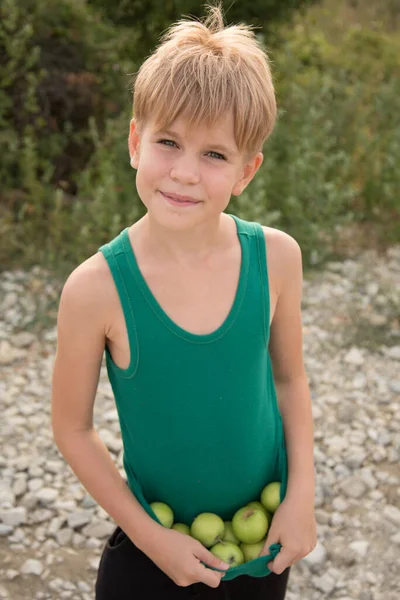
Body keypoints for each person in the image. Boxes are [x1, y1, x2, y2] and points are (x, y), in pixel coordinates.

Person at [51, 3, 317, 599]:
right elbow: (72, 428)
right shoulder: (94, 289)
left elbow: (291, 381)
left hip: (258, 546)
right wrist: (149, 536)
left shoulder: (276, 258)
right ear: (134, 142)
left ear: (247, 171)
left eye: (215, 155)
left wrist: (302, 495)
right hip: (152, 545)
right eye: (168, 142)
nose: (185, 174)